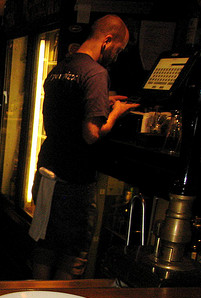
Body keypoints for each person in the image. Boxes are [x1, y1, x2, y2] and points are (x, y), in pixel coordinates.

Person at [29, 14, 140, 280]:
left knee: (45, 245)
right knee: (72, 254)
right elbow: (91, 134)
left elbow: (69, 108)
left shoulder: (60, 68)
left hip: (47, 171)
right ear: (107, 40)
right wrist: (116, 112)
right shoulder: (97, 73)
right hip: (74, 180)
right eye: (118, 49)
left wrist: (103, 102)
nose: (116, 56)